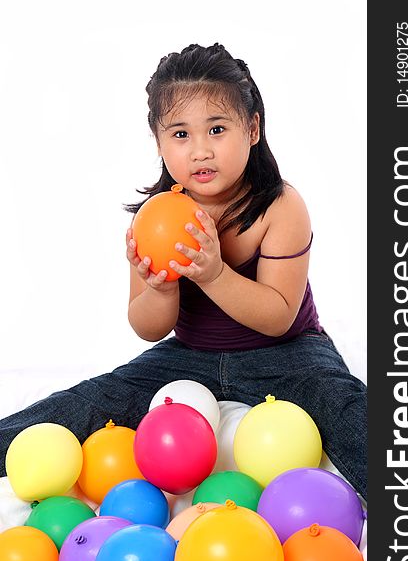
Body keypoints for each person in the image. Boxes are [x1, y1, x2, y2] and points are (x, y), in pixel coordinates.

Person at [0, 43, 367, 500]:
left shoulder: (279, 206)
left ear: (252, 129)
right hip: (190, 353)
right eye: (180, 135)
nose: (200, 151)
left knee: (347, 408)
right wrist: (159, 289)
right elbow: (148, 328)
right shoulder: (158, 215)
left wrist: (214, 275)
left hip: (288, 353)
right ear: (157, 140)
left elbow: (278, 316)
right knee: (93, 400)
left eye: (217, 129)